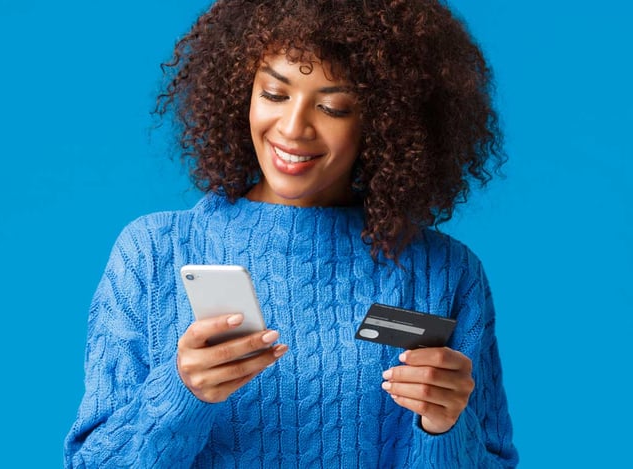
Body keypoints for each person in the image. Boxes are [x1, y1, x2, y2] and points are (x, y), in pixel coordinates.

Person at [64, 0, 519, 467]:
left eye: (333, 107)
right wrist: (181, 393)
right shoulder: (154, 253)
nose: (294, 128)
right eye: (275, 95)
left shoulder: (443, 273)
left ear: (386, 122)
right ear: (241, 91)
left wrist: (443, 428)